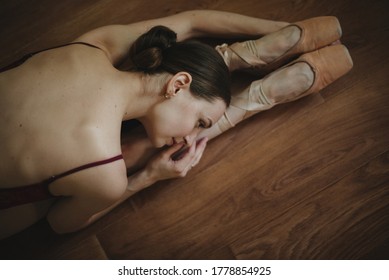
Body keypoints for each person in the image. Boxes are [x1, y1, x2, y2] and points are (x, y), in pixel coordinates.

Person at [0, 10, 352, 239]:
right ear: (178, 83)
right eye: (200, 123)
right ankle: (243, 105)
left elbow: (194, 21)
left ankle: (243, 58)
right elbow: (61, 224)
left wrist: (291, 34)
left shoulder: (92, 47)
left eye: (201, 126)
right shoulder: (105, 174)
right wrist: (148, 177)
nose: (189, 136)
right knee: (130, 152)